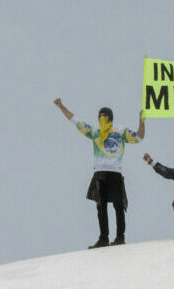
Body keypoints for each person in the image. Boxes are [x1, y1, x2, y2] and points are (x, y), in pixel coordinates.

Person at [54, 98, 144, 248]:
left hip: (115, 172)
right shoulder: (95, 132)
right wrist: (61, 106)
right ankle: (103, 238)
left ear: (111, 118)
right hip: (100, 173)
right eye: (100, 116)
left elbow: (139, 138)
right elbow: (75, 121)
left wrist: (142, 121)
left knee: (118, 205)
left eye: (105, 116)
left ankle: (120, 237)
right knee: (100, 206)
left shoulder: (120, 131)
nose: (102, 118)